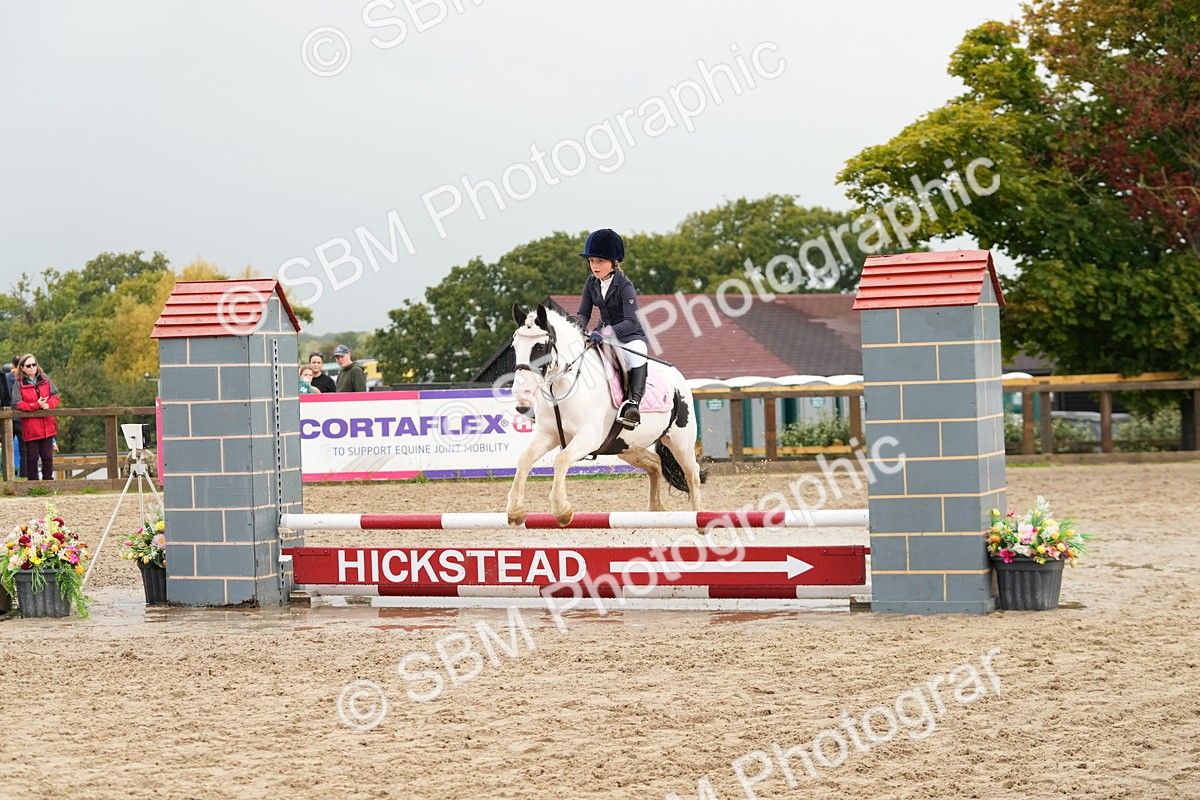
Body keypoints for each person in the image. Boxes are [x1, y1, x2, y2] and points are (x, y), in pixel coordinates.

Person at [575, 228, 648, 429]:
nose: (594, 266)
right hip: (602, 334)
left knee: (639, 355)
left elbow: (631, 321)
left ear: (614, 262)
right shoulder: (591, 283)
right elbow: (584, 313)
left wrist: (604, 333)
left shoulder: (625, 286)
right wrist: (577, 327)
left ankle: (633, 405)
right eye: (591, 261)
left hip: (629, 335)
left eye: (599, 261)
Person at [13, 354, 59, 481]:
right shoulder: (19, 384)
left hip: (47, 425)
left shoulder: (45, 379)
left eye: (34, 364)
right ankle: (33, 484)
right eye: (28, 365)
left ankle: (48, 482)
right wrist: (35, 405)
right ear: (22, 368)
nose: (32, 367)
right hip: (31, 427)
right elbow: (17, 403)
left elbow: (55, 396)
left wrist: (49, 405)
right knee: (32, 457)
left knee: (47, 457)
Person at [5, 357, 20, 474]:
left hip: (7, 416)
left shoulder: (5, 378)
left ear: (12, 365)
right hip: (21, 416)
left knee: (6, 448)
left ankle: (7, 474)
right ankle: (25, 474)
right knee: (25, 450)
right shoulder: (24, 378)